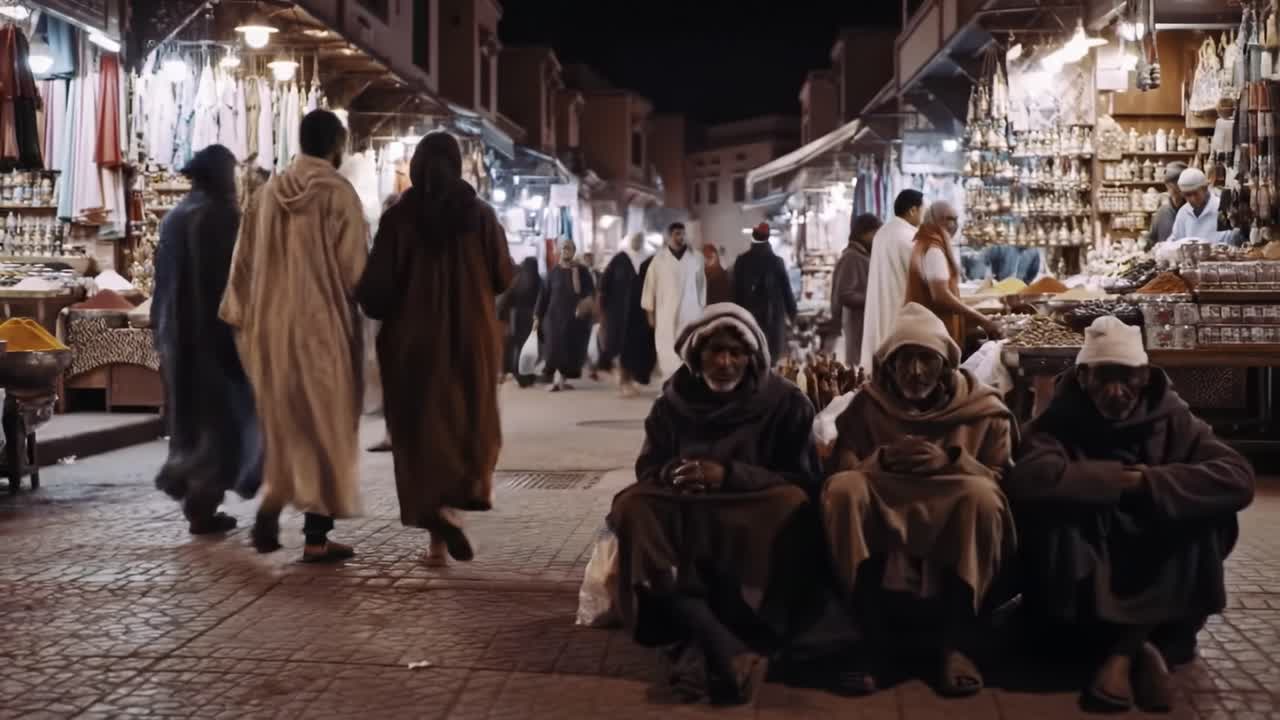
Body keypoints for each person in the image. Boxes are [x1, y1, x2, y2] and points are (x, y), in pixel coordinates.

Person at [1008, 316, 1254, 713]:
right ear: (1084, 378)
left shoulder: (1173, 419)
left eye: (1128, 379)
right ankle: (1138, 648)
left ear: (1145, 377)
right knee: (1053, 519)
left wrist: (1151, 485)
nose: (1117, 392)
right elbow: (1031, 479)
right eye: (1105, 379)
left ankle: (1124, 652)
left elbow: (1237, 478)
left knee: (1204, 516)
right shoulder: (1058, 421)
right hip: (1089, 560)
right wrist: (1120, 482)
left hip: (1156, 559)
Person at [609, 303, 820, 706]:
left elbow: (804, 479)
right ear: (696, 355)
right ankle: (723, 646)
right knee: (632, 507)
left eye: (736, 353)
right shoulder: (672, 403)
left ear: (751, 358)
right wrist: (673, 472)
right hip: (687, 505)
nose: (725, 363)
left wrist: (728, 475)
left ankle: (705, 643)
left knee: (790, 504)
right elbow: (648, 467)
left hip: (749, 504)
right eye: (715, 351)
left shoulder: (785, 403)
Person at [823, 302, 1016, 697]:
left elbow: (1003, 480)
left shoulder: (982, 410)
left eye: (925, 359)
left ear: (945, 365)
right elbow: (840, 470)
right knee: (844, 493)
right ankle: (872, 638)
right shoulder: (868, 406)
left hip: (954, 501)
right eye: (904, 360)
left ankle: (956, 643)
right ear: (888, 367)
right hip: (883, 497)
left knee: (981, 497)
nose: (914, 372)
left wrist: (951, 460)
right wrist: (881, 460)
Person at [356, 130, 514, 567]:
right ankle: (451, 518)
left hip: (413, 346)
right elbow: (503, 276)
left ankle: (435, 536)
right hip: (471, 343)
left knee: (421, 435)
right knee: (465, 428)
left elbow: (376, 293)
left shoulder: (398, 220)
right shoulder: (480, 216)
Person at [220, 109, 367, 563]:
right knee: (324, 430)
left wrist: (241, 320)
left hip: (271, 330)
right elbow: (354, 271)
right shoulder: (339, 195)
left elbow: (241, 268)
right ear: (336, 146)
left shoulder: (265, 195)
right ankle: (315, 537)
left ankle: (273, 504)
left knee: (286, 428)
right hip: (321, 330)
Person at [152, 144, 262, 535]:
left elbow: (161, 282)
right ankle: (201, 503)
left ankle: (196, 498)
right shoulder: (221, 214)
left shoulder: (175, 216)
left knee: (192, 422)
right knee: (222, 424)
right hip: (212, 337)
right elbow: (230, 284)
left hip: (176, 336)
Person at [905, 221, 1002, 349]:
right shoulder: (934, 249)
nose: (955, 225)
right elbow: (941, 297)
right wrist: (982, 320)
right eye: (950, 220)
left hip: (924, 327)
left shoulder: (924, 243)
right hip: (932, 332)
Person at [860, 190, 924, 370]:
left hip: (882, 303)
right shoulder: (908, 236)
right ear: (913, 210)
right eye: (922, 210)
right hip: (900, 306)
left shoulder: (883, 232)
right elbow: (922, 274)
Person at [642, 222, 705, 379]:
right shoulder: (659, 260)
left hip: (690, 311)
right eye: (677, 234)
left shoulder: (696, 258)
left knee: (688, 346)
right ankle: (668, 383)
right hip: (665, 312)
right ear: (669, 236)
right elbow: (650, 287)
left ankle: (687, 384)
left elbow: (701, 286)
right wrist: (650, 313)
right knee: (666, 347)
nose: (681, 237)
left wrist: (702, 309)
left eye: (683, 234)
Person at [535, 238, 596, 392]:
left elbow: (590, 292)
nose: (565, 251)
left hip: (574, 319)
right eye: (563, 248)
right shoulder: (553, 273)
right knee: (553, 348)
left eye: (569, 248)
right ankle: (556, 380)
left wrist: (586, 304)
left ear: (574, 251)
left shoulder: (582, 272)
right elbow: (543, 296)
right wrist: (537, 317)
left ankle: (562, 379)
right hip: (553, 318)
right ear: (559, 251)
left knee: (570, 350)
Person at [733, 223, 798, 365]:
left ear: (752, 238)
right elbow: (787, 291)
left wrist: (735, 318)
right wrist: (793, 315)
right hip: (773, 320)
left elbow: (735, 293)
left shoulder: (742, 261)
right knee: (771, 360)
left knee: (751, 358)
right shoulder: (776, 262)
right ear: (768, 239)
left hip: (748, 319)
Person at [599, 233, 649, 395]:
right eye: (634, 239)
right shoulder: (619, 259)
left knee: (635, 348)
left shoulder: (648, 260)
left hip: (639, 314)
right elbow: (604, 285)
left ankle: (631, 380)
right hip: (618, 313)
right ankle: (623, 380)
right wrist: (603, 310)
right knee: (619, 345)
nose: (637, 242)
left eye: (640, 240)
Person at [831, 214, 880, 365]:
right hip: (858, 327)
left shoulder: (861, 256)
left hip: (863, 327)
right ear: (865, 234)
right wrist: (874, 299)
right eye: (875, 234)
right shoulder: (851, 258)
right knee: (859, 370)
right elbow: (845, 294)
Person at [1169, 168, 1241, 245]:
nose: (1193, 199)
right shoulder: (1183, 213)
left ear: (1205, 188)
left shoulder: (1222, 208)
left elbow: (1233, 241)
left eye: (1195, 193)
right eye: (1188, 195)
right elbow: (1176, 241)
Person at [501, 257, 543, 385]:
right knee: (533, 348)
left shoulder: (517, 281)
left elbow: (506, 301)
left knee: (520, 347)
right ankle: (528, 374)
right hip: (534, 319)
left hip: (518, 318)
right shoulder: (539, 281)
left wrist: (504, 319)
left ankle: (520, 374)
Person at [1146, 162, 1188, 248]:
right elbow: (1151, 240)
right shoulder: (1162, 212)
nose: (1176, 189)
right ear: (1167, 186)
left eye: (1179, 186)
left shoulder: (1191, 210)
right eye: (1172, 186)